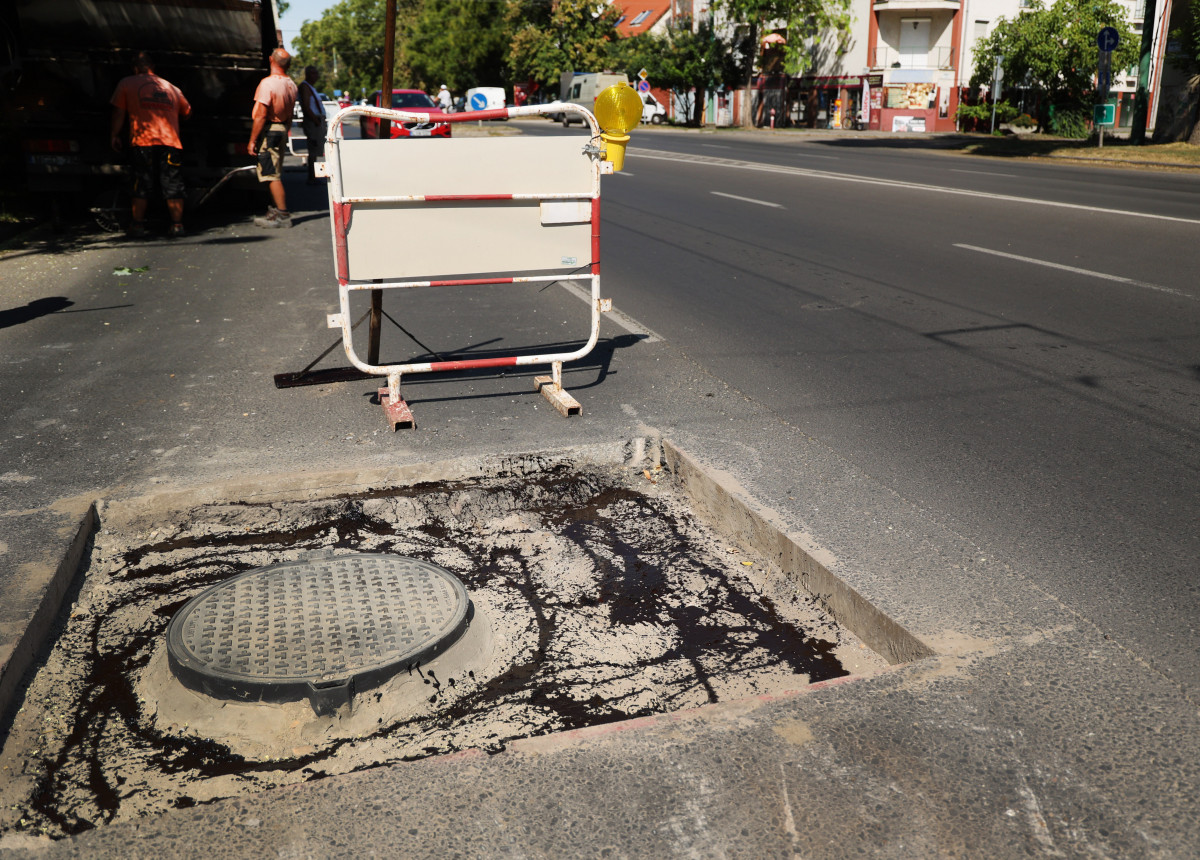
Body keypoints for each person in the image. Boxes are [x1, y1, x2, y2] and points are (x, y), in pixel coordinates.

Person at [110, 52, 191, 238]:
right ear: (153, 67)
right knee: (173, 182)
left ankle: (137, 225)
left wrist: (114, 134)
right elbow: (187, 112)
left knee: (141, 182)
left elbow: (118, 113)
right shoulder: (171, 88)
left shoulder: (126, 83)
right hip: (171, 142)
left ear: (135, 68)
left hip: (142, 142)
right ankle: (177, 225)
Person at [248, 47, 298, 228]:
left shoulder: (268, 84)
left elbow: (261, 115)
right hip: (282, 128)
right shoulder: (291, 84)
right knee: (274, 169)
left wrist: (252, 140)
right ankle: (277, 210)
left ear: (271, 60)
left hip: (271, 130)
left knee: (271, 173)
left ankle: (283, 214)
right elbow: (291, 113)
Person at [298, 65, 326, 186]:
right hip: (313, 122)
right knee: (313, 149)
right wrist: (316, 121)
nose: (316, 76)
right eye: (314, 74)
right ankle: (312, 177)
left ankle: (313, 176)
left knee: (316, 149)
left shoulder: (311, 87)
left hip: (316, 120)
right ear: (308, 74)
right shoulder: (305, 87)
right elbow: (306, 106)